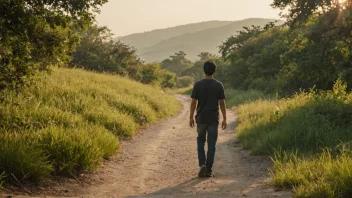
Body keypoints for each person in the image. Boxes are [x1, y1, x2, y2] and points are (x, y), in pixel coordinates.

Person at [189, 60, 227, 178]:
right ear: (214, 71)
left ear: (203, 71)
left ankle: (202, 164)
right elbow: (222, 103)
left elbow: (193, 103)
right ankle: (209, 169)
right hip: (213, 119)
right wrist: (225, 118)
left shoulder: (198, 84)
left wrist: (191, 117)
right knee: (212, 143)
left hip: (201, 118)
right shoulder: (218, 85)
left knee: (200, 141)